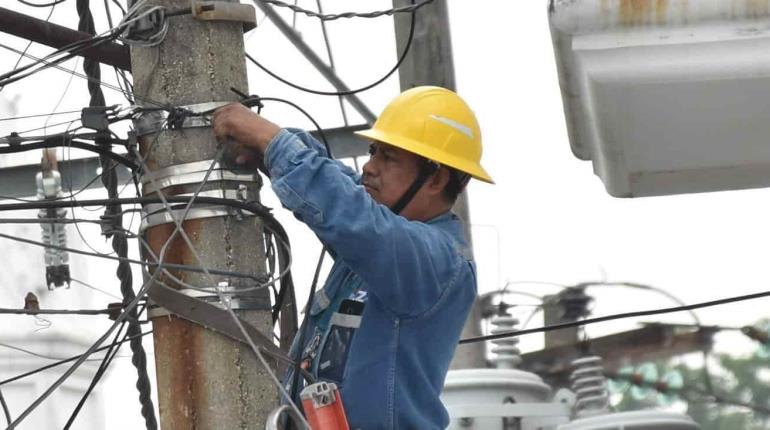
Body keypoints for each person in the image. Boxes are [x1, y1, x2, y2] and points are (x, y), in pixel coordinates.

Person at [213, 86, 493, 429]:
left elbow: (352, 215)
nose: (369, 167)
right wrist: (270, 149)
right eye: (374, 151)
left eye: (388, 158)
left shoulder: (436, 263)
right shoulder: (372, 254)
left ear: (435, 178)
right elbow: (339, 192)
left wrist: (272, 143)